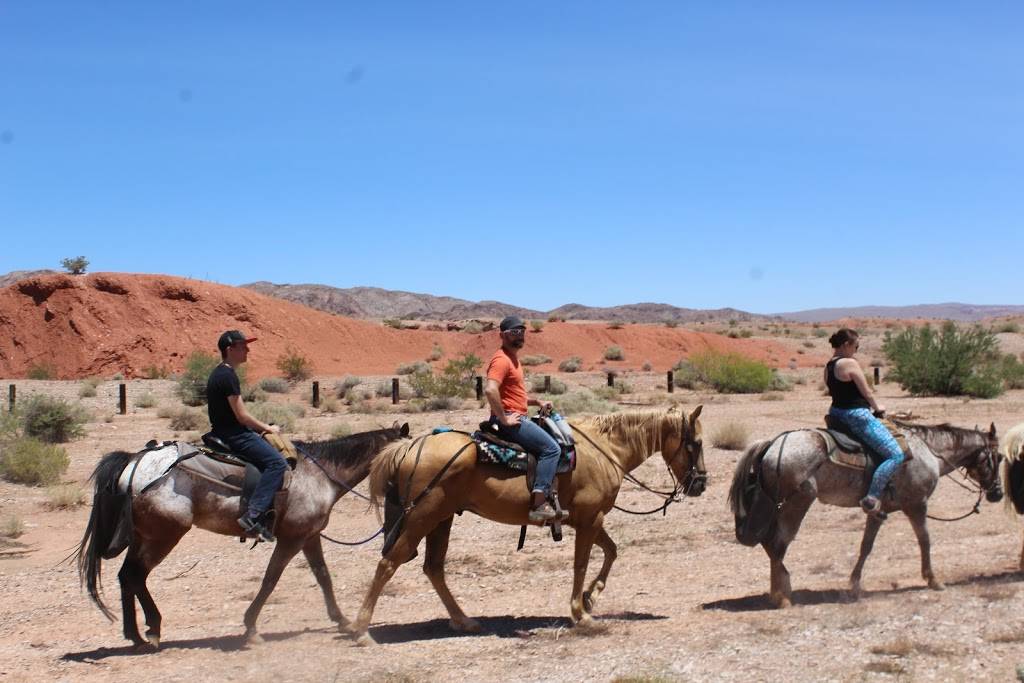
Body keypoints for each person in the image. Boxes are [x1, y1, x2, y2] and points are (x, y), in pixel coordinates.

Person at [207, 330, 286, 542]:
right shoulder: (227, 376)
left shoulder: (219, 373)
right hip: (235, 434)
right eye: (243, 346)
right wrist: (268, 429)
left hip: (224, 430)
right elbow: (242, 416)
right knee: (277, 463)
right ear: (229, 349)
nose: (247, 349)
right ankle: (253, 516)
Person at [484, 315, 563, 522]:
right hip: (511, 420)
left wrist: (537, 402)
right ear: (502, 335)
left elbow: (513, 396)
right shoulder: (501, 360)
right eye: (513, 332)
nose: (518, 335)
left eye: (521, 331)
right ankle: (539, 502)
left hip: (516, 414)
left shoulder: (513, 359)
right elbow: (491, 390)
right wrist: (504, 418)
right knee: (552, 449)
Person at [825, 328, 905, 515]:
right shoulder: (849, 363)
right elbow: (867, 392)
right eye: (856, 346)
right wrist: (878, 409)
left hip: (836, 413)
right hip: (856, 416)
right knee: (896, 455)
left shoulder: (829, 365)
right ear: (846, 345)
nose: (856, 350)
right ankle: (872, 496)